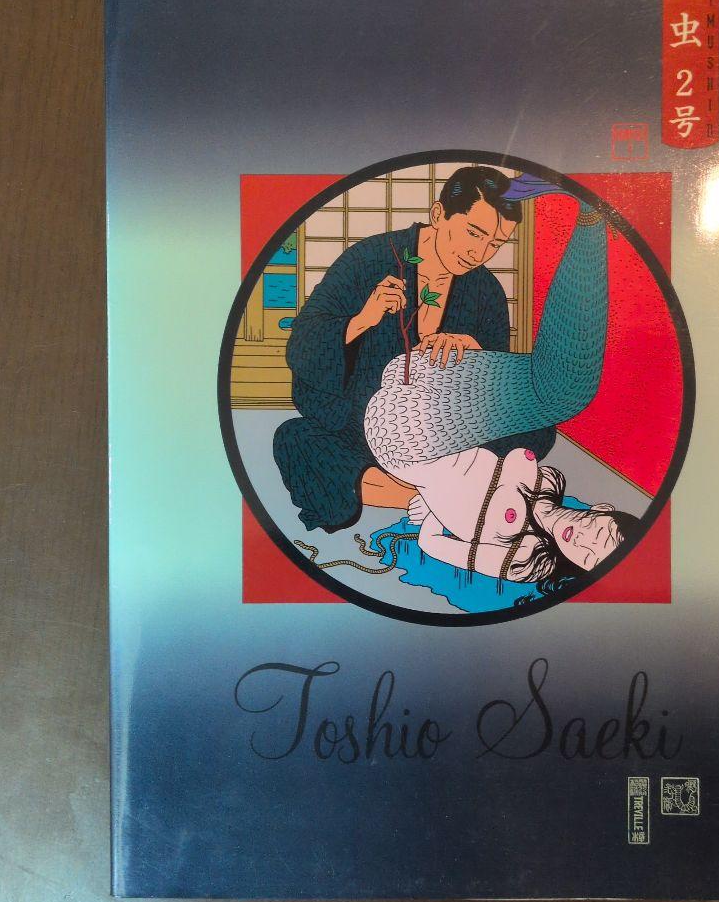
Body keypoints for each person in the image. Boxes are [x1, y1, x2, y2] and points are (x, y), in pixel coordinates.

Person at [362, 182, 642, 603]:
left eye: (587, 556)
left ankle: (589, 219)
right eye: (598, 532)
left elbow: (433, 544)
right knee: (555, 400)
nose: (581, 539)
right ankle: (588, 219)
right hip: (423, 386)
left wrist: (430, 502)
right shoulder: (551, 482)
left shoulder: (524, 560)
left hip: (406, 442)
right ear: (602, 509)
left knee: (565, 394)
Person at [274, 166, 556, 532]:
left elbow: (497, 388)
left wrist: (474, 352)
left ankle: (429, 492)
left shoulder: (485, 290)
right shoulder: (369, 260)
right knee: (295, 440)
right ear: (439, 214)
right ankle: (435, 498)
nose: (479, 252)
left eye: (495, 244)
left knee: (539, 427)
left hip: (443, 429)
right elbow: (302, 345)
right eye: (474, 233)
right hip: (365, 421)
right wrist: (362, 319)